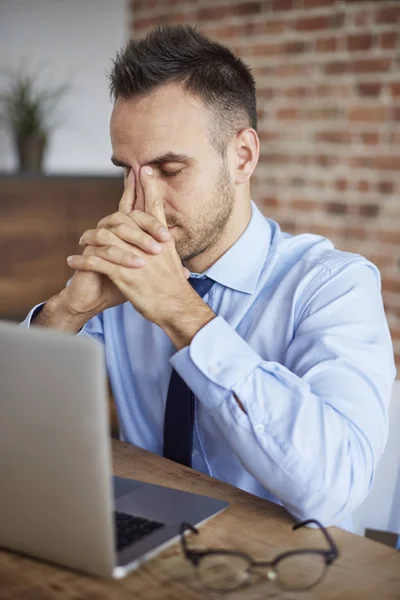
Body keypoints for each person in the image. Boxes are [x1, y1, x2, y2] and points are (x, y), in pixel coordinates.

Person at [21, 24, 396, 530]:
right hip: (152, 548)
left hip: (289, 567)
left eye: (169, 170)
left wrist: (182, 312)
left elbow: (334, 487)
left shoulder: (333, 286)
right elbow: (15, 423)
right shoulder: (127, 277)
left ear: (242, 156)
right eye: (126, 171)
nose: (140, 202)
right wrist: (70, 310)